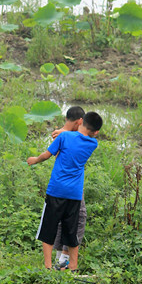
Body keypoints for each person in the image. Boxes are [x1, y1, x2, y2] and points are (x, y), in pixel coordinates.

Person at [27, 111, 103, 271]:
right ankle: (72, 267)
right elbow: (81, 137)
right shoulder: (92, 144)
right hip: (74, 194)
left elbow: (46, 155)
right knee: (71, 230)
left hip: (56, 190)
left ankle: (48, 267)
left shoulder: (63, 137)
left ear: (80, 122)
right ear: (96, 132)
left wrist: (34, 160)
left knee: (48, 228)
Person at [51, 106, 88, 269]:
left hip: (58, 183)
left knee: (62, 218)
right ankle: (65, 258)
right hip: (73, 186)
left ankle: (60, 256)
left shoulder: (59, 135)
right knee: (79, 217)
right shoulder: (72, 137)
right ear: (80, 121)